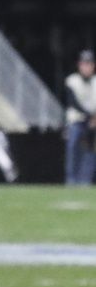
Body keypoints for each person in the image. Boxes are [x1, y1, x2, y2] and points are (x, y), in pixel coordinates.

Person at [64, 50, 96, 186]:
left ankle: (85, 181)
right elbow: (72, 102)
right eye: (84, 64)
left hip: (94, 121)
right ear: (79, 65)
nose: (86, 67)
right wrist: (89, 116)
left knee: (91, 151)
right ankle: (71, 180)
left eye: (89, 64)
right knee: (73, 147)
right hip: (77, 120)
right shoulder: (72, 80)